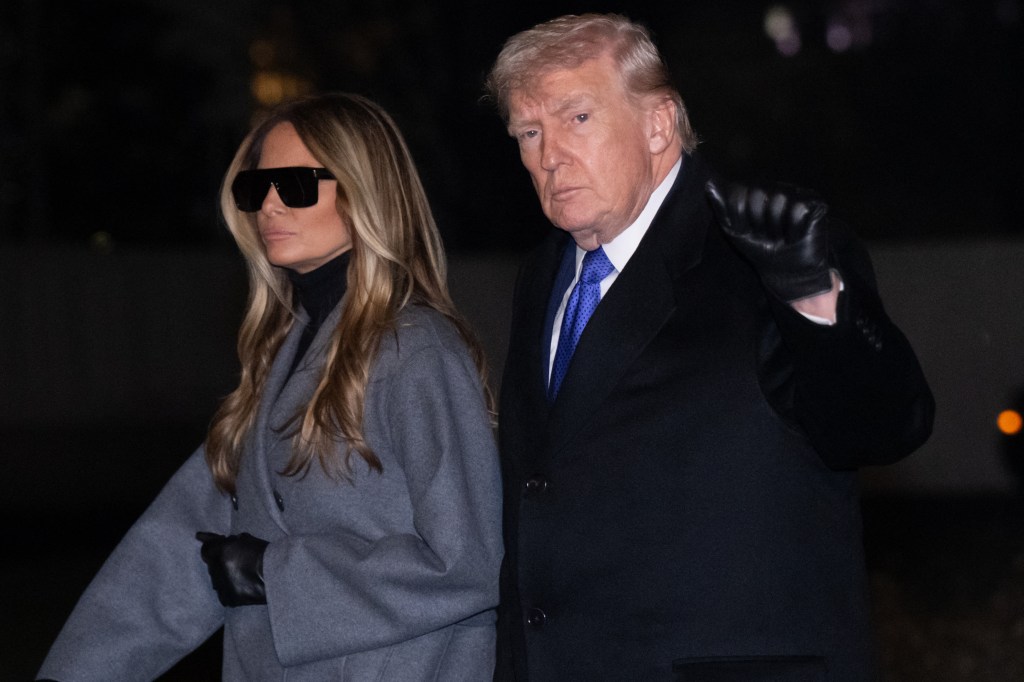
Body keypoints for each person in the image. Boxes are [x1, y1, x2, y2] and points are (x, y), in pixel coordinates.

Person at [484, 13, 934, 681]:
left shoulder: (765, 249)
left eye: (576, 118)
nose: (550, 154)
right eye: (529, 131)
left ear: (659, 125)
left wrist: (816, 303)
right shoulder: (544, 275)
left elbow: (884, 426)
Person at [36, 92, 503, 681]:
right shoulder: (281, 354)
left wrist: (273, 573)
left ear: (364, 188)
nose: (270, 207)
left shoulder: (417, 350)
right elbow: (179, 548)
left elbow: (470, 562)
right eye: (256, 189)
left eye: (298, 184)